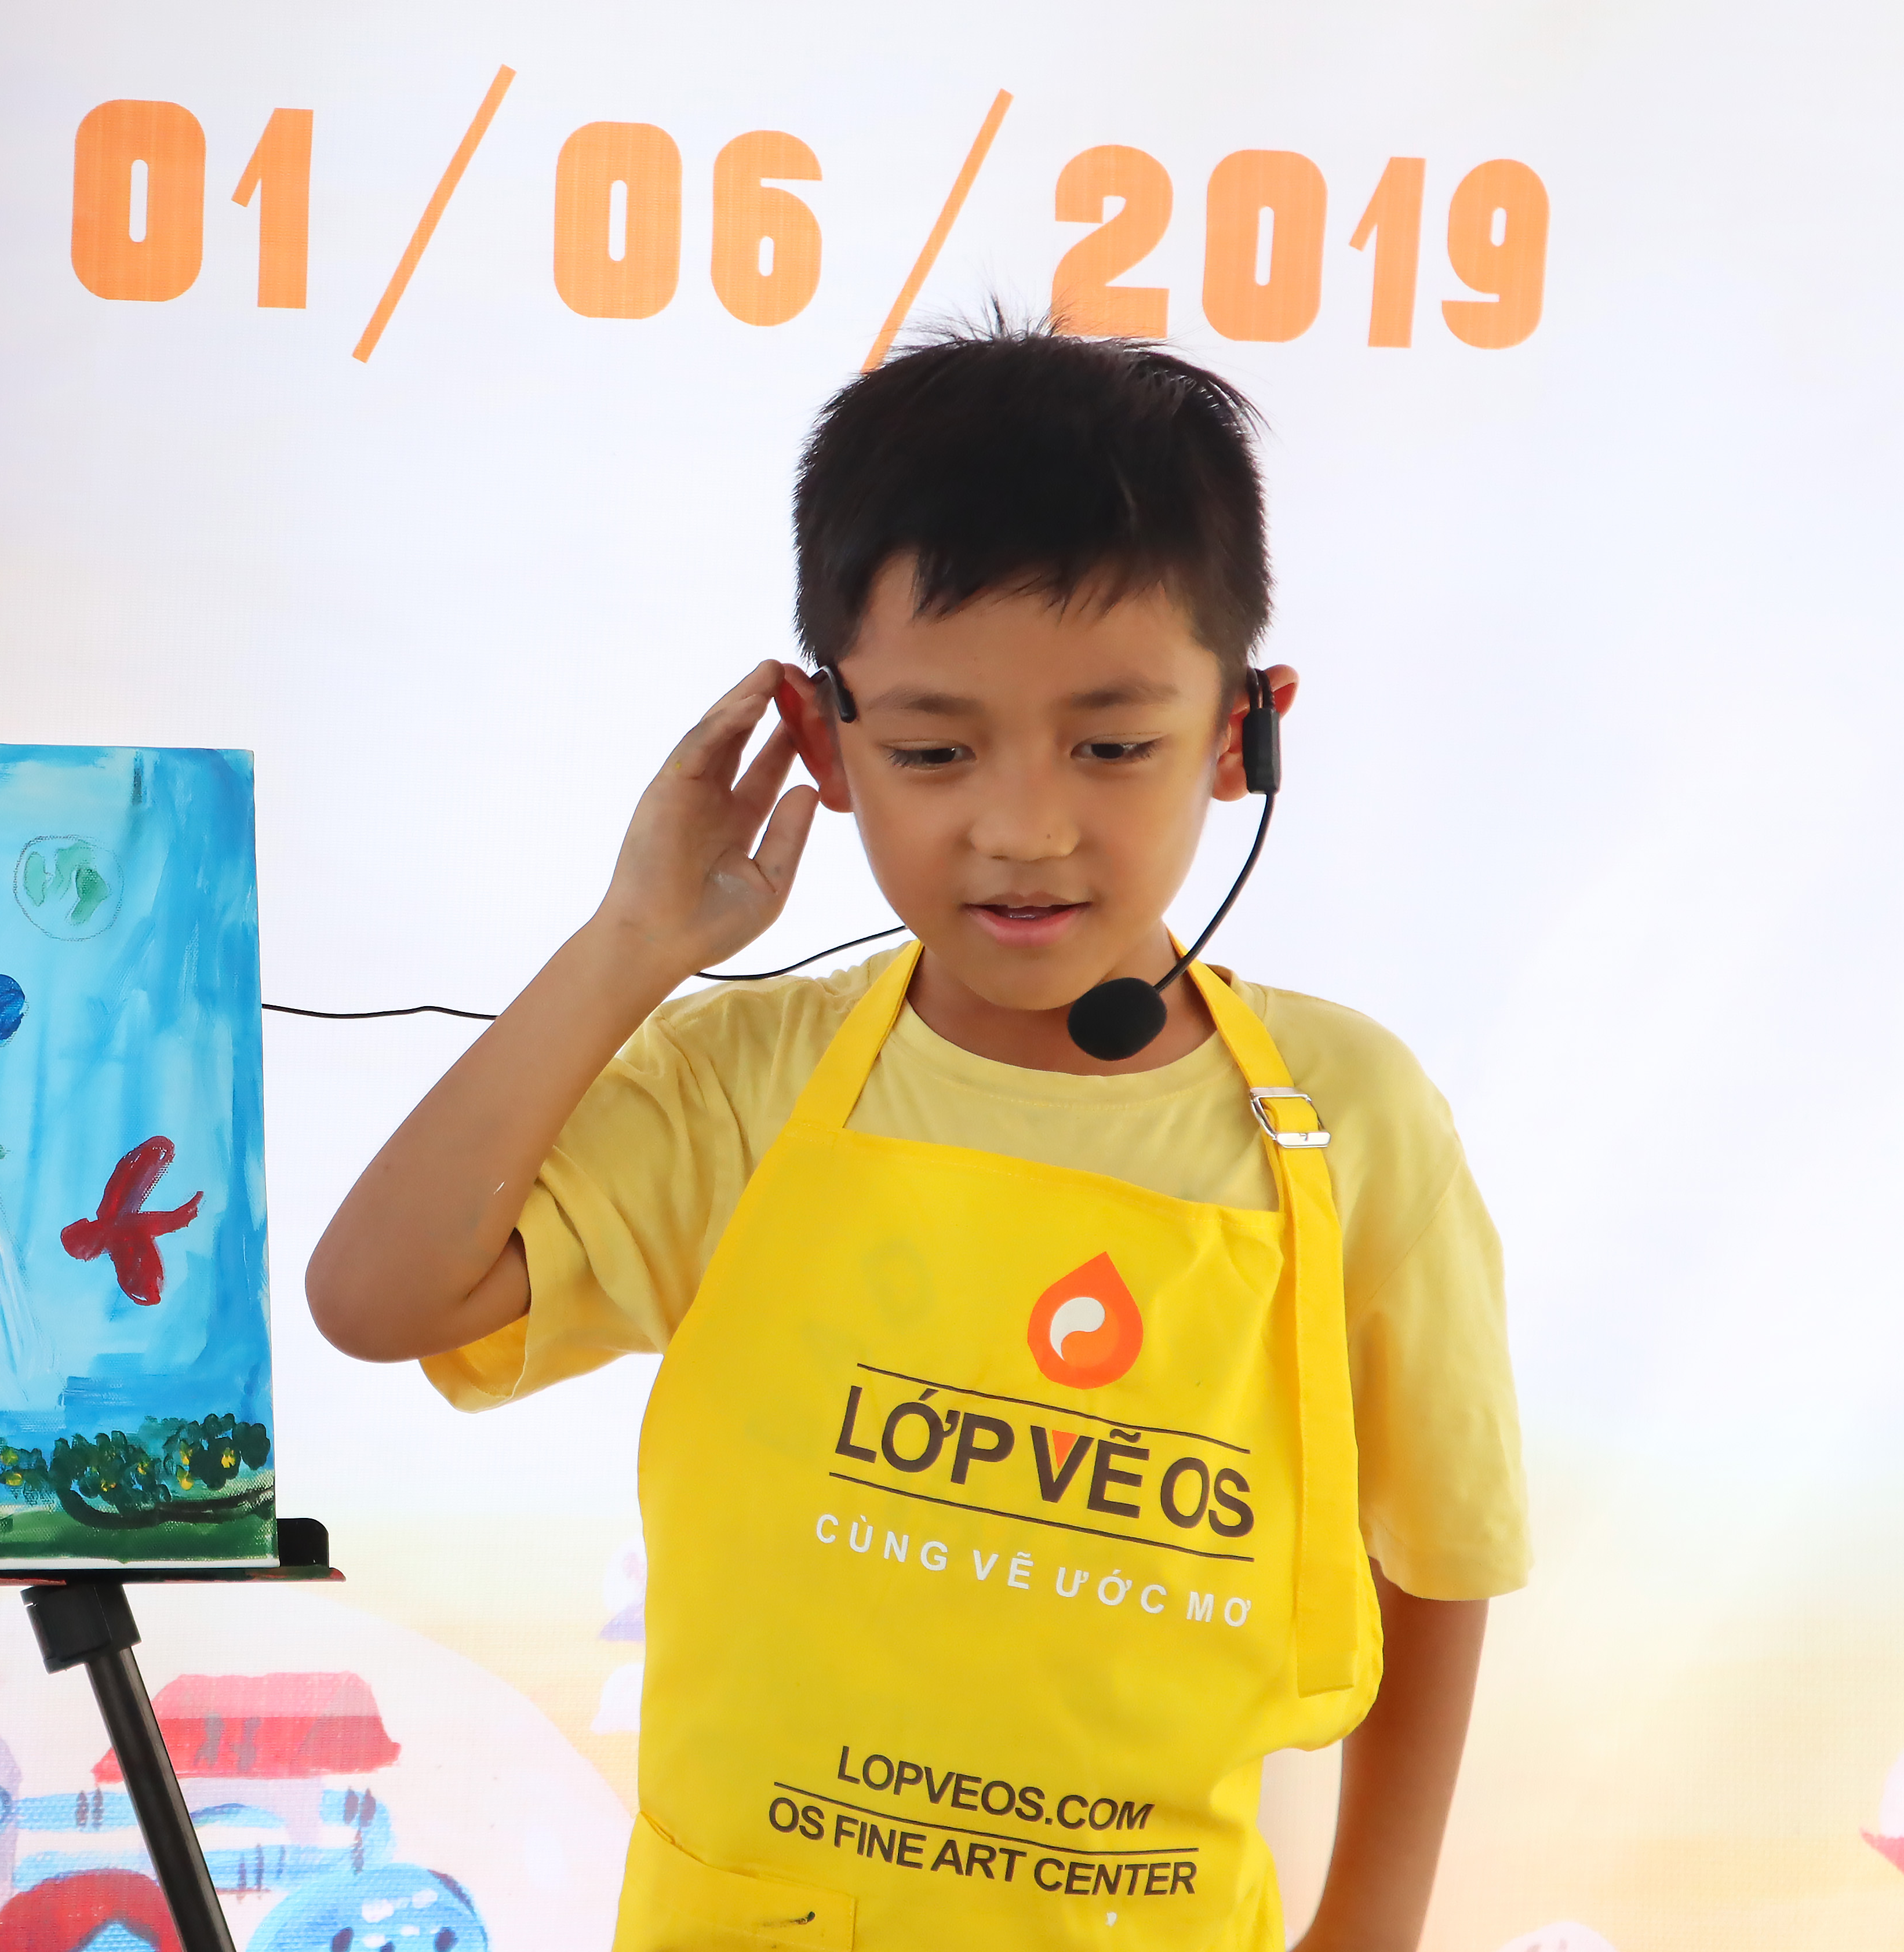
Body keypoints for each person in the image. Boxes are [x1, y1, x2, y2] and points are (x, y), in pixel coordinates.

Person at [305, 321, 1524, 1951]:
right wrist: (634, 940)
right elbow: (378, 1297)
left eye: (1114, 745)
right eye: (934, 751)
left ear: (1244, 732)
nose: (1022, 827)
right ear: (824, 746)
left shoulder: (1343, 1115)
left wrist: (1368, 1926)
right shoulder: (743, 1082)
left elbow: (1437, 1549)